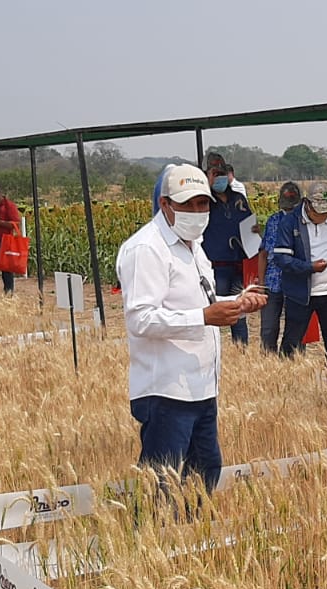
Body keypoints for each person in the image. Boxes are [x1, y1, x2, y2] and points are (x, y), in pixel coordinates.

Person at [118, 164, 266, 493]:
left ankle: (191, 536)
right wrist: (204, 316)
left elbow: (200, 301)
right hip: (167, 389)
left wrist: (238, 302)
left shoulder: (193, 244)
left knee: (206, 471)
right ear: (166, 203)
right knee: (162, 483)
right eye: (187, 204)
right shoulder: (147, 249)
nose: (197, 212)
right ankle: (151, 541)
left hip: (201, 386)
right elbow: (140, 319)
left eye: (203, 204)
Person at [275, 183, 327, 361]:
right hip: (300, 295)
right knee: (292, 341)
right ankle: (284, 378)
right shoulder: (289, 222)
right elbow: (282, 259)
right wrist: (309, 267)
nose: (323, 216)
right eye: (319, 212)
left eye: (326, 212)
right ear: (307, 204)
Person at [200, 161, 256, 344]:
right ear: (207, 175)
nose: (220, 178)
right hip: (216, 266)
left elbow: (248, 224)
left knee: (238, 312)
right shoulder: (203, 200)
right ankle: (210, 349)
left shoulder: (238, 198)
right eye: (215, 174)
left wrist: (256, 232)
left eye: (223, 173)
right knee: (213, 312)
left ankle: (241, 351)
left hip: (238, 263)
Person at [257, 182, 302, 353]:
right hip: (272, 281)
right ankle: (268, 363)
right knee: (268, 328)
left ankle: (293, 362)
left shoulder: (304, 222)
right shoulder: (274, 221)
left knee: (296, 327)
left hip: (295, 282)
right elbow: (263, 254)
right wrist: (261, 284)